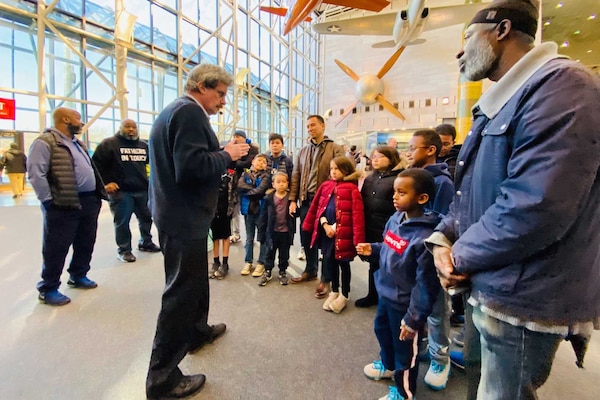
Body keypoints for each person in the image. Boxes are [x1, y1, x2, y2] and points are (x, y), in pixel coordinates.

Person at [426, 1, 600, 399]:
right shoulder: (501, 102)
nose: (459, 51)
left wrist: (460, 256)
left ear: (501, 30)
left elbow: (535, 206)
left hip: (522, 296)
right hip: (487, 283)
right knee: (479, 383)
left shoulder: (564, 87)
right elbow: (468, 194)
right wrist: (442, 240)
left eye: (467, 38)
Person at [145, 64, 249, 400]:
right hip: (183, 218)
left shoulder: (175, 111)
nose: (223, 101)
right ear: (202, 86)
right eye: (220, 94)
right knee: (180, 293)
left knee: (193, 283)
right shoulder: (189, 113)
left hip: (177, 214)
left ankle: (196, 332)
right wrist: (226, 154)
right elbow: (191, 168)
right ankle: (162, 380)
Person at [357, 169, 441, 400]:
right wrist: (373, 249)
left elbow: (426, 284)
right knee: (382, 331)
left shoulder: (425, 237)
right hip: (386, 294)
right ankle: (388, 366)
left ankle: (404, 393)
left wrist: (413, 319)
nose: (395, 196)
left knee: (406, 351)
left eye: (401, 193)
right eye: (395, 191)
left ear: (422, 198)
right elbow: (389, 247)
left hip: (405, 305)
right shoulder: (396, 219)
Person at [27, 107, 106, 306]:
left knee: (85, 242)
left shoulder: (77, 143)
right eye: (78, 118)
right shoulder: (45, 143)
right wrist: (48, 202)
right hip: (62, 203)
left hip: (88, 201)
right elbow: (37, 174)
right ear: (65, 119)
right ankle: (48, 288)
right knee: (57, 246)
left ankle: (78, 275)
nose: (81, 122)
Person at [405, 129, 455, 391]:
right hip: (413, 252)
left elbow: (441, 223)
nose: (409, 152)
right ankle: (423, 347)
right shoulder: (416, 177)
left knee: (436, 310)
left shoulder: (442, 183)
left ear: (431, 150)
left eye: (413, 148)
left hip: (431, 254)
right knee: (417, 305)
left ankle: (440, 359)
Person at [289, 114, 344, 299]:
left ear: (323, 126)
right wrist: (292, 199)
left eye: (313, 125)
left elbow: (342, 173)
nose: (310, 128)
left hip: (327, 200)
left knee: (327, 240)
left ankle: (326, 278)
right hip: (306, 200)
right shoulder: (303, 151)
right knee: (306, 237)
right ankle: (310, 269)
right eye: (308, 126)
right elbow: (295, 175)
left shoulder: (335, 148)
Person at [92, 119, 161, 263]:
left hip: (142, 190)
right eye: (127, 126)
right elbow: (95, 166)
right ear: (120, 128)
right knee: (122, 222)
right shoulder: (108, 144)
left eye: (133, 127)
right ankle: (124, 250)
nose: (131, 129)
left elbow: (153, 165)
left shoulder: (143, 146)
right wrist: (105, 183)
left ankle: (146, 242)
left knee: (146, 218)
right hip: (121, 192)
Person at [302, 156, 365, 313]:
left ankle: (344, 294)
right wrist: (324, 224)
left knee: (343, 263)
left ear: (346, 170)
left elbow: (356, 215)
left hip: (343, 235)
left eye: (337, 168)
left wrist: (356, 239)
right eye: (331, 168)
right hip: (326, 234)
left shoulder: (352, 189)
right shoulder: (325, 185)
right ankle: (334, 291)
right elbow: (318, 207)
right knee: (330, 262)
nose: (333, 171)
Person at [355, 145, 402, 308]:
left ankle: (387, 298)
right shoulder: (370, 178)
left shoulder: (398, 179)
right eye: (373, 156)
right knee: (373, 262)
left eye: (380, 156)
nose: (374, 159)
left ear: (391, 159)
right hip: (371, 225)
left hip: (388, 228)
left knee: (389, 264)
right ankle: (372, 294)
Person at [259, 171, 296, 286]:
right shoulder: (268, 198)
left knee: (284, 253)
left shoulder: (290, 199)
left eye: (284, 182)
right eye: (278, 182)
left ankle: (282, 271)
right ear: (273, 184)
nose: (281, 184)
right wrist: (261, 233)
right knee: (269, 252)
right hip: (272, 231)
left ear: (287, 183)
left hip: (285, 232)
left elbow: (295, 214)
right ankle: (268, 271)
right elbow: (263, 216)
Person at [237, 153, 271, 277]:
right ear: (253, 161)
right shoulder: (245, 174)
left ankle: (261, 263)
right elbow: (240, 186)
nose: (261, 163)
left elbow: (261, 190)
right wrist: (253, 190)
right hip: (248, 211)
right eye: (259, 160)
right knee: (249, 238)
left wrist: (248, 192)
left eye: (264, 161)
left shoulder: (267, 176)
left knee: (262, 238)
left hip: (261, 210)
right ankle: (248, 261)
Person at [230, 129, 259, 244]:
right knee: (234, 208)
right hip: (235, 182)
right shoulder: (232, 148)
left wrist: (236, 162)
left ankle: (253, 235)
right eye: (234, 136)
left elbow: (247, 163)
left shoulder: (252, 149)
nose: (236, 138)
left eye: (238, 136)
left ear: (244, 137)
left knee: (252, 209)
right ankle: (236, 233)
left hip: (250, 183)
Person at [209, 168, 235, 279]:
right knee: (215, 237)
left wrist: (232, 206)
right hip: (212, 209)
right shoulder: (209, 172)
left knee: (225, 236)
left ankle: (225, 263)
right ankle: (216, 262)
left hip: (226, 208)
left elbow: (234, 191)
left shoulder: (230, 173)